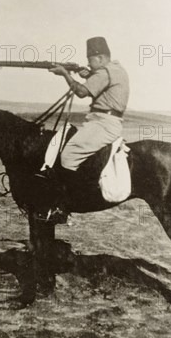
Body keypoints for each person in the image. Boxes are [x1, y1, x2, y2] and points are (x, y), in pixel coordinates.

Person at [45, 36, 129, 216]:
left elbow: (82, 92)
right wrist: (90, 75)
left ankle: (64, 205)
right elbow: (103, 88)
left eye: (90, 60)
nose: (89, 64)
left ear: (99, 58)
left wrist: (65, 74)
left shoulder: (105, 72)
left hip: (103, 123)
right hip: (104, 121)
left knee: (68, 154)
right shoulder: (115, 69)